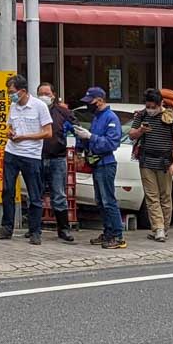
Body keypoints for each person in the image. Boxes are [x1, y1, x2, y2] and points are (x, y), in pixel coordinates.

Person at [0, 75, 53, 246]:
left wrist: (25, 136)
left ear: (23, 91)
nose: (9, 95)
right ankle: (7, 227)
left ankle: (35, 231)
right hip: (12, 152)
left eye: (11, 92)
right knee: (7, 191)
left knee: (34, 195)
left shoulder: (39, 106)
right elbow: (10, 126)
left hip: (31, 155)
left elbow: (48, 132)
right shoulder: (13, 106)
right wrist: (10, 133)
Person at [72, 86, 125, 249]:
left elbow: (112, 143)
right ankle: (108, 232)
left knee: (109, 201)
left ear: (100, 100)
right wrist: (81, 145)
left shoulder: (110, 118)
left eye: (91, 101)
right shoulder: (97, 117)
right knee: (101, 201)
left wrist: (90, 136)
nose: (89, 105)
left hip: (106, 163)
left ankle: (118, 235)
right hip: (96, 164)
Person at [129, 88, 173, 242]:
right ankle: (158, 228)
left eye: (154, 107)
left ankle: (163, 228)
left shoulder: (170, 116)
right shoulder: (141, 115)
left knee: (165, 196)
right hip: (146, 161)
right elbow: (131, 134)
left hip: (165, 161)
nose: (151, 110)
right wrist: (141, 130)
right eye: (148, 106)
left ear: (161, 103)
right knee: (151, 197)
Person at [38, 82, 76, 244]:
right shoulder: (34, 110)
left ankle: (63, 229)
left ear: (53, 94)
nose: (44, 96)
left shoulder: (63, 112)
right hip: (37, 157)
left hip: (57, 158)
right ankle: (35, 228)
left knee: (59, 195)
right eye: (41, 93)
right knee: (36, 194)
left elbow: (77, 128)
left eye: (47, 93)